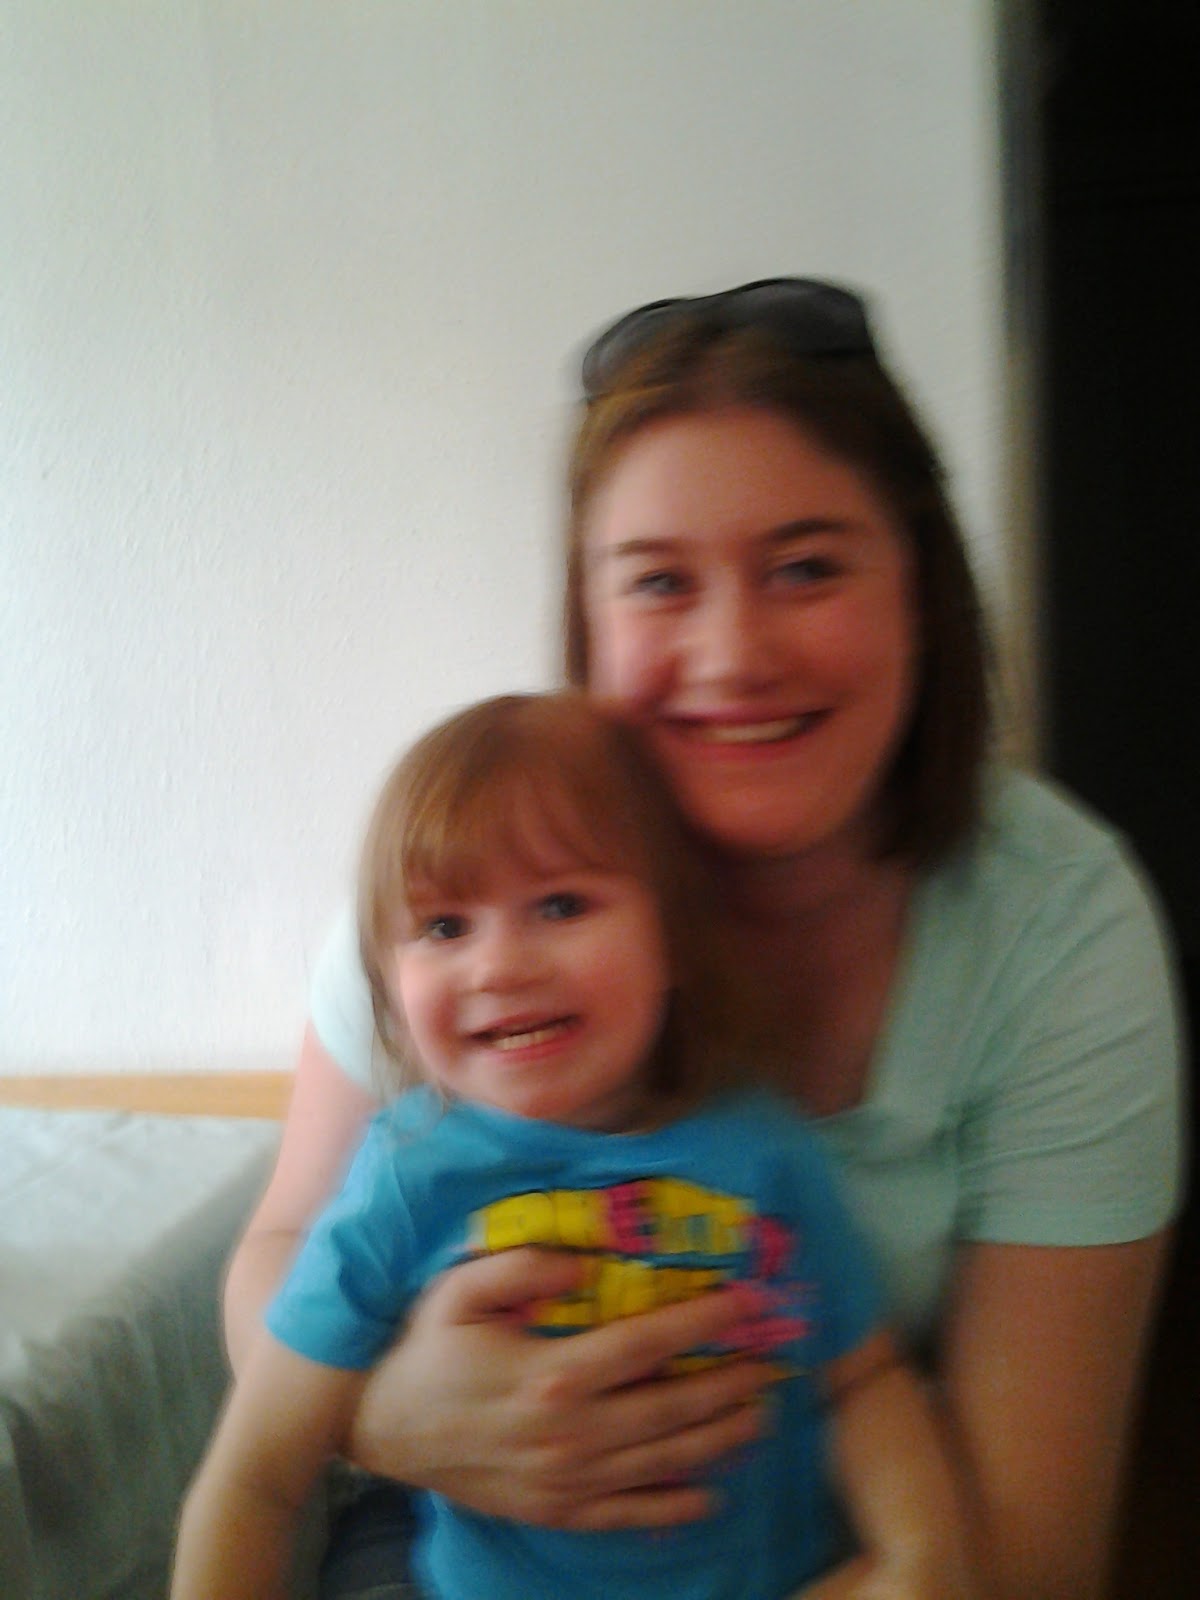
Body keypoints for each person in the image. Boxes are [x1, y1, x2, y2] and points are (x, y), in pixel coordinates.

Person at [222, 279, 1185, 1600]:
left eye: (807, 567)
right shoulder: (473, 896)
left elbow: (1027, 1558)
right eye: (660, 583)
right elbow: (278, 1253)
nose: (733, 654)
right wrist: (388, 1418)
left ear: (921, 589)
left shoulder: (1056, 927)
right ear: (590, 625)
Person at [173, 691, 975, 1600]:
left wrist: (920, 1557)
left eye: (561, 904)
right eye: (444, 927)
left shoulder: (765, 1152)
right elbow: (252, 1481)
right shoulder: (406, 1180)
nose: (499, 966)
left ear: (673, 939)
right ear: (387, 988)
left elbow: (862, 1378)